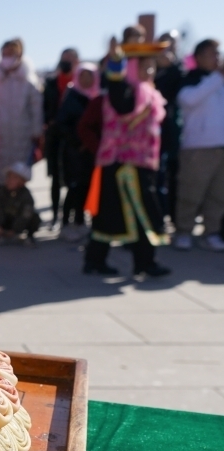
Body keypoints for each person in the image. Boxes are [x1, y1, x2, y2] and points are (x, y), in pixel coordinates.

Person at [78, 38, 171, 277]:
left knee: (117, 216)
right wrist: (117, 61)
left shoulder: (148, 93)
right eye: (145, 66)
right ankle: (139, 262)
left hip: (138, 164)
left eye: (152, 66)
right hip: (122, 166)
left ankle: (104, 261)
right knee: (134, 215)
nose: (150, 70)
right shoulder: (125, 91)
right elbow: (119, 96)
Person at [173, 39, 224, 252]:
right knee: (191, 193)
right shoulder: (190, 80)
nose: (217, 58)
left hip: (220, 147)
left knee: (218, 195)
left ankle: (211, 232)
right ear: (200, 57)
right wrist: (217, 77)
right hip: (197, 149)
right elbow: (189, 100)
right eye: (213, 54)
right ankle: (183, 231)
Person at [0, 38, 43, 190]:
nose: (7, 57)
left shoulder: (28, 80)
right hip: (0, 132)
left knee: (19, 173)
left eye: (11, 53)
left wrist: (36, 131)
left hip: (22, 134)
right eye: (5, 53)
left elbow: (36, 107)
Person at [54, 62, 100, 242]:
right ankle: (65, 224)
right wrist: (78, 142)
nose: (86, 80)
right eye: (83, 76)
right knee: (73, 188)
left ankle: (80, 222)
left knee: (85, 188)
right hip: (73, 152)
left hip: (90, 152)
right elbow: (61, 124)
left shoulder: (96, 98)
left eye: (90, 76)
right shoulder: (71, 96)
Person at [43, 48, 79, 225]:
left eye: (70, 60)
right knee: (55, 177)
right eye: (63, 59)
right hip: (54, 136)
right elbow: (44, 107)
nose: (66, 63)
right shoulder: (51, 82)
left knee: (74, 178)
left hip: (73, 137)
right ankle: (55, 214)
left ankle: (70, 215)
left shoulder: (81, 83)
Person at [154, 32, 184, 222]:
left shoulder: (179, 70)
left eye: (171, 44)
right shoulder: (150, 69)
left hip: (174, 130)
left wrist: (171, 67)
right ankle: (159, 216)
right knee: (157, 176)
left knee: (174, 176)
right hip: (154, 131)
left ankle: (172, 216)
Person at [0, 162, 39, 245]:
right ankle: (0, 233)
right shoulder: (2, 192)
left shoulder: (26, 196)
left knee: (34, 217)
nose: (9, 180)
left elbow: (25, 215)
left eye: (14, 178)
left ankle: (29, 236)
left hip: (19, 222)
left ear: (22, 182)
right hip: (7, 220)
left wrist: (15, 230)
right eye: (8, 177)